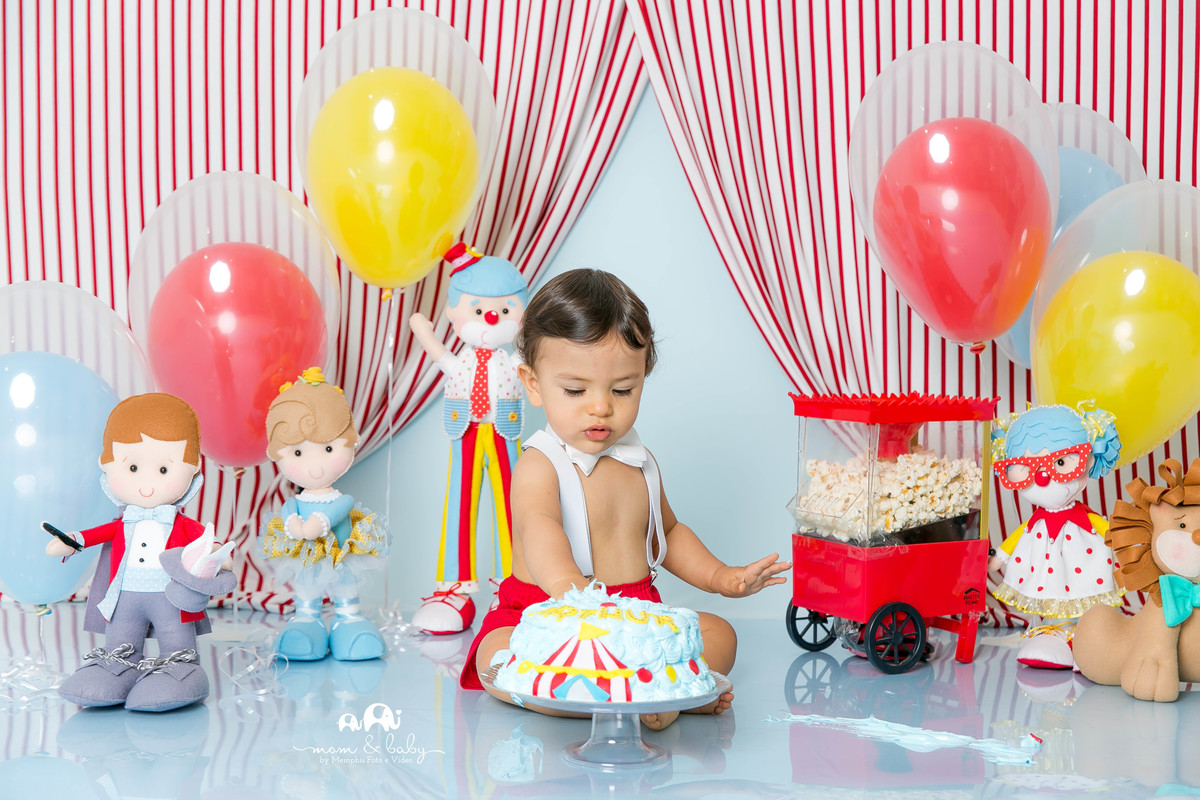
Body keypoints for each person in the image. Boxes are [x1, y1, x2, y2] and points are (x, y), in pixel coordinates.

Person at [459, 268, 789, 729]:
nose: (601, 406)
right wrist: (570, 595)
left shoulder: (640, 461)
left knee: (720, 636)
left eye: (622, 390)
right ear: (532, 384)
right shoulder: (542, 462)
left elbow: (667, 533)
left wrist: (722, 576)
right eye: (575, 390)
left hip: (635, 616)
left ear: (642, 378)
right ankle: (645, 693)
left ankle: (632, 691)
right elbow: (539, 529)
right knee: (499, 659)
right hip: (549, 610)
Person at [45, 393, 236, 712]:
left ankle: (182, 669)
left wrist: (216, 553)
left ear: (192, 471)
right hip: (124, 598)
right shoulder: (123, 523)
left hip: (171, 598)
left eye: (163, 469)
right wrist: (71, 540)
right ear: (107, 466)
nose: (147, 484)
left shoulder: (179, 523)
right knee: (121, 640)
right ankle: (118, 666)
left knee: (176, 640)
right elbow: (94, 535)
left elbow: (205, 542)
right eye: (132, 467)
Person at [408, 243, 529, 634]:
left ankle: (513, 584)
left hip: (505, 434)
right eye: (478, 310)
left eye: (504, 310)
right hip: (464, 432)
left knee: (513, 507)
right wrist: (425, 334)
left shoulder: (514, 361)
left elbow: (532, 367)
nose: (492, 318)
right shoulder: (462, 361)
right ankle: (453, 588)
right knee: (458, 506)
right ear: (455, 313)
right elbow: (441, 357)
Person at [261, 367, 388, 661]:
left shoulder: (341, 499)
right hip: (307, 557)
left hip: (341, 555)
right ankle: (307, 623)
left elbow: (340, 508)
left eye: (329, 448)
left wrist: (320, 521)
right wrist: (292, 522)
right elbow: (288, 509)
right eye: (297, 453)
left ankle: (350, 622)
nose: (315, 465)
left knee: (346, 587)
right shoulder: (296, 500)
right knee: (306, 588)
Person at [988, 403, 1122, 670]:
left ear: (1089, 459)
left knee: (1085, 591)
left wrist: (1129, 545)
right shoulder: (1035, 522)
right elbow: (1017, 539)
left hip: (1083, 562)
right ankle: (1055, 633)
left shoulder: (1088, 520)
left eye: (1060, 463)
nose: (1043, 477)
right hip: (1044, 565)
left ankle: (1087, 636)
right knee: (1051, 592)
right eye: (1026, 468)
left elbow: (1110, 532)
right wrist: (997, 560)